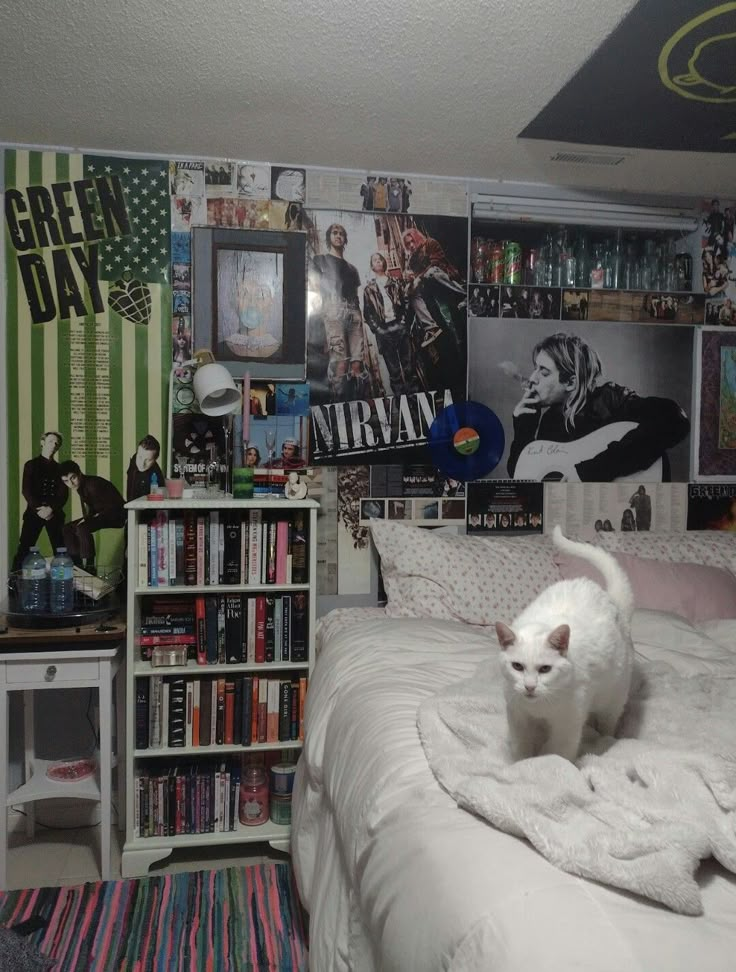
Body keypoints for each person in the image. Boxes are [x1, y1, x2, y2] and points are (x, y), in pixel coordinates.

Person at [507, 332, 690, 482]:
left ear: (570, 382)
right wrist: (525, 426)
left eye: (544, 372)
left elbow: (674, 419)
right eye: (535, 368)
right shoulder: (551, 420)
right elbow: (524, 477)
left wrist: (590, 472)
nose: (532, 378)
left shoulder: (610, 400)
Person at [311, 223, 371, 401]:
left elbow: (355, 295)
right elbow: (315, 289)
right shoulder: (320, 260)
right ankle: (338, 403)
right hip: (332, 310)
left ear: (345, 240)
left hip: (353, 311)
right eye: (335, 233)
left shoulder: (352, 269)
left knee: (357, 363)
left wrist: (359, 316)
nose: (338, 236)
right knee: (340, 362)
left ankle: (356, 403)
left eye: (341, 234)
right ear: (329, 237)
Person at [362, 252, 417, 397]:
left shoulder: (395, 282)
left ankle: (416, 401)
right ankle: (401, 402)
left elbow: (405, 301)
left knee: (409, 366)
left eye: (380, 259)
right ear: (372, 266)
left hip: (399, 326)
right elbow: (367, 313)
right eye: (375, 260)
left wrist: (404, 321)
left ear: (384, 263)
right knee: (394, 372)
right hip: (384, 332)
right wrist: (378, 330)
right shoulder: (369, 289)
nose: (378, 262)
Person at [11, 432, 68, 571]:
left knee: (61, 550)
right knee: (24, 548)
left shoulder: (60, 468)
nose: (53, 445)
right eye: (50, 441)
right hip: (34, 512)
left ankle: (66, 584)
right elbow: (26, 490)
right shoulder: (31, 465)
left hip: (53, 514)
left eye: (56, 443)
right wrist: (39, 509)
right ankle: (13, 584)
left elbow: (63, 495)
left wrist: (50, 509)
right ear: (42, 442)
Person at [402, 228, 465, 350]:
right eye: (407, 244)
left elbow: (437, 263)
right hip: (434, 292)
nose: (411, 245)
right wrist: (411, 280)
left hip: (445, 279)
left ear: (417, 237)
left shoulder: (430, 243)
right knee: (409, 291)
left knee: (431, 272)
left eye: (412, 241)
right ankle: (431, 327)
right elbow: (418, 278)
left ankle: (463, 294)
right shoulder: (412, 261)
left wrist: (418, 278)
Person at [58, 461, 126, 568]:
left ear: (79, 473)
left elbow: (111, 507)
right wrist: (88, 518)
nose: (71, 484)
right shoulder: (82, 485)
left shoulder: (93, 484)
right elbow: (94, 508)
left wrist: (88, 519)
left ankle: (90, 567)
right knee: (67, 528)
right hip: (102, 514)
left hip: (116, 515)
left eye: (73, 478)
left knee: (82, 528)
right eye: (66, 481)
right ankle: (77, 565)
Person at [126, 434, 164, 502]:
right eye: (140, 457)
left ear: (155, 460)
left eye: (148, 460)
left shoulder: (157, 476)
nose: (142, 464)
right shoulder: (134, 460)